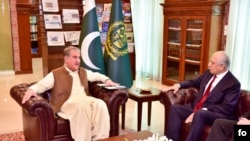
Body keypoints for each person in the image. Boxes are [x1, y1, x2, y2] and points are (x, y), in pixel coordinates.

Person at [21, 46, 120, 141]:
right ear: (66, 59)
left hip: (84, 99)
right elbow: (41, 85)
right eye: (74, 57)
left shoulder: (83, 72)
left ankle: (101, 139)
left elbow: (97, 76)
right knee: (83, 106)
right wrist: (31, 90)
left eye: (79, 57)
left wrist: (107, 80)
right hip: (66, 103)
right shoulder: (56, 74)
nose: (78, 60)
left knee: (101, 104)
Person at [162, 51, 241, 141]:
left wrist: (203, 109)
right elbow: (194, 81)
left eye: (212, 62)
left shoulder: (233, 83)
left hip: (215, 113)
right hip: (197, 107)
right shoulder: (209, 73)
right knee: (175, 108)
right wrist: (178, 85)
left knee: (200, 114)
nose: (209, 64)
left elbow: (227, 107)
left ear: (221, 66)